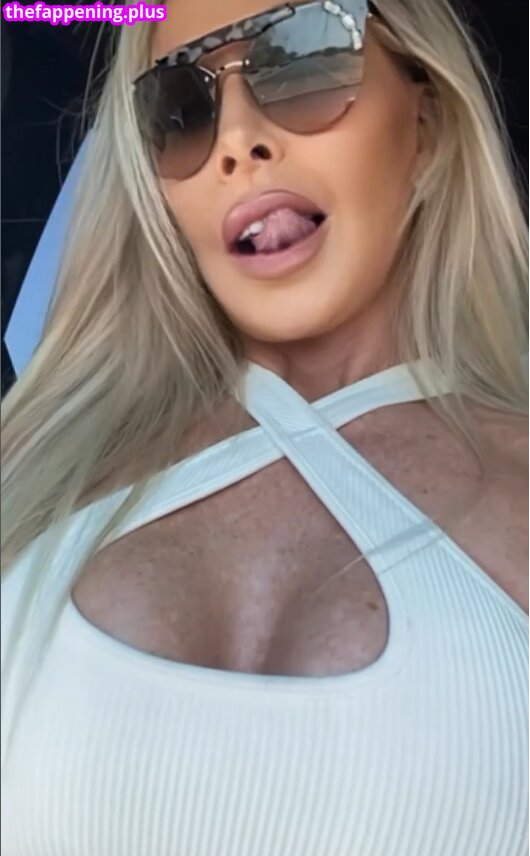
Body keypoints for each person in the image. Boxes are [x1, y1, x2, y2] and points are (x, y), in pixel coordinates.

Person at [1, 0, 528, 853]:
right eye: (181, 106)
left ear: (427, 124)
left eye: (306, 59)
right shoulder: (32, 469)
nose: (237, 140)